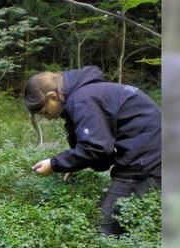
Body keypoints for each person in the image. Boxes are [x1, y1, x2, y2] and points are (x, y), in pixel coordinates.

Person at [26, 65, 161, 235]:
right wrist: (73, 164)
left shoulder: (83, 100)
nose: (47, 117)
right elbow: (100, 149)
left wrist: (54, 164)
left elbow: (96, 148)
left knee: (105, 228)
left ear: (52, 97)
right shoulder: (86, 93)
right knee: (133, 221)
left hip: (147, 157)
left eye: (45, 112)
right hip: (149, 150)